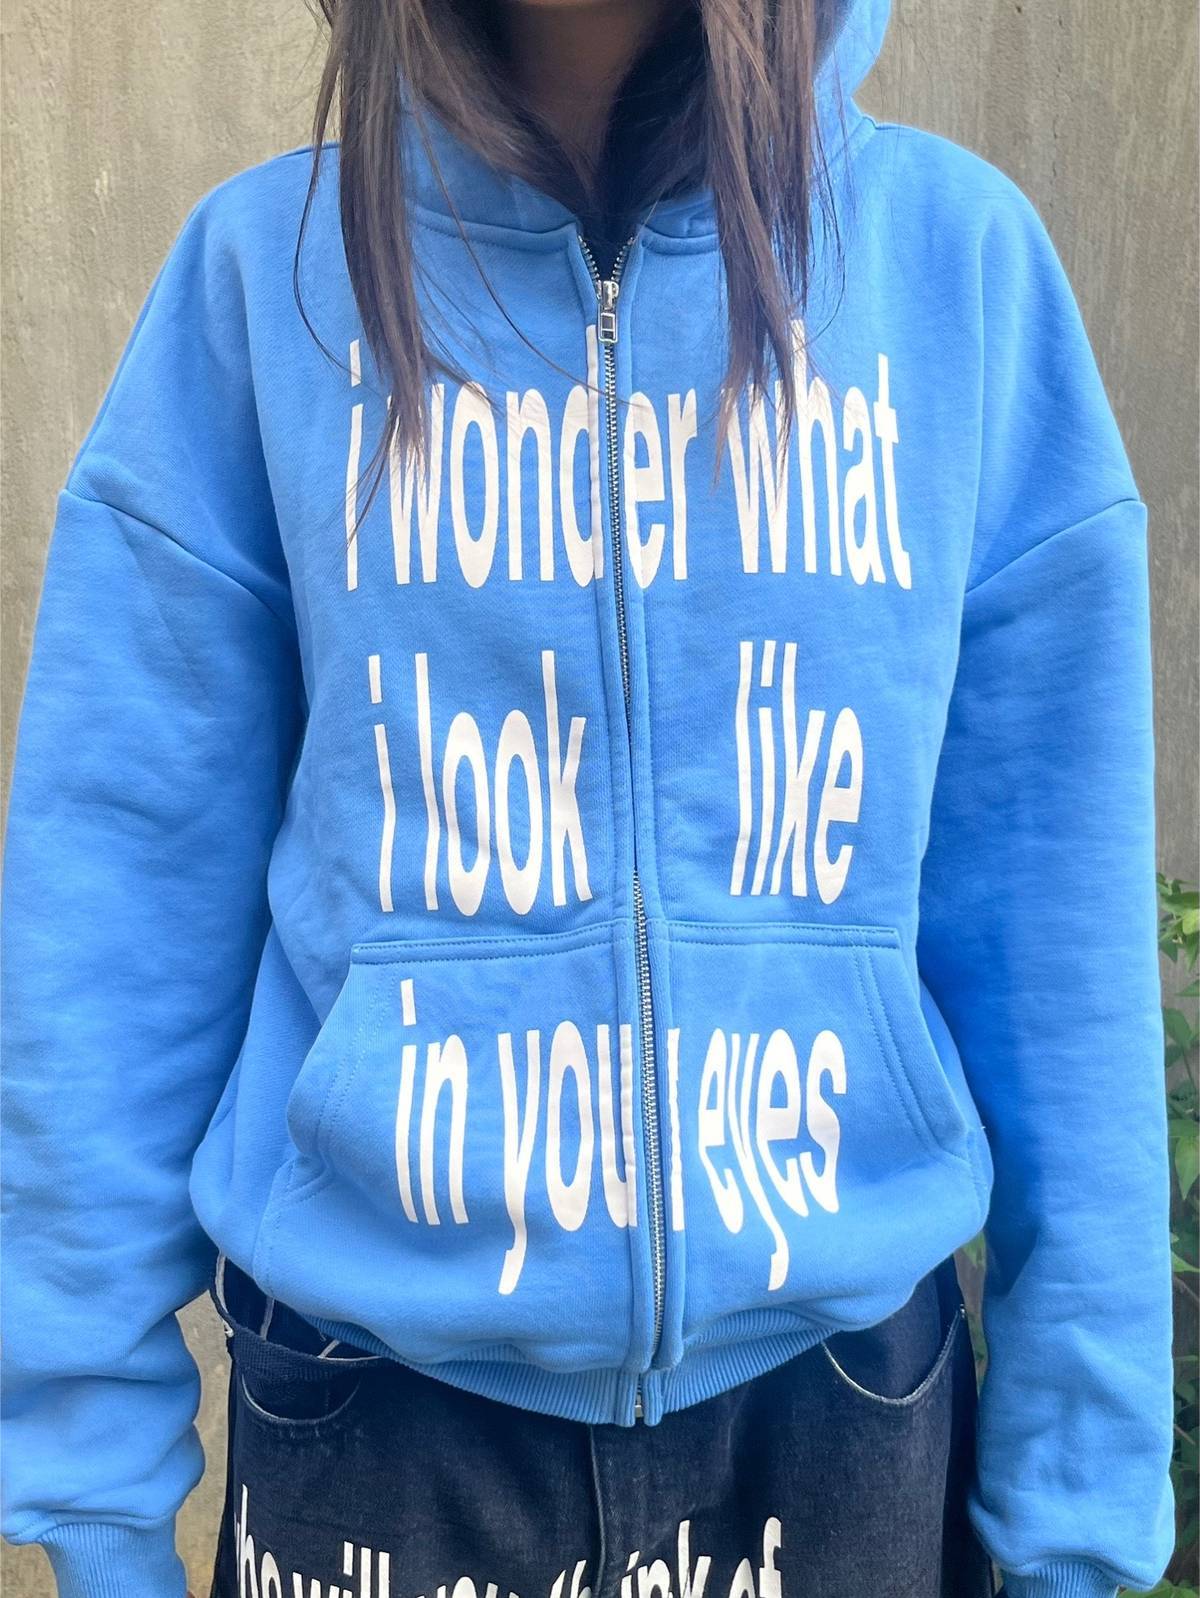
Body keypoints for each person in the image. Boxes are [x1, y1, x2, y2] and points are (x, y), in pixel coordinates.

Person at [0, 0, 1176, 1595]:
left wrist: (1078, 1518)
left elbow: (1058, 943)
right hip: (376, 1417)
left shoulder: (958, 272)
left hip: (838, 1415)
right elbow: (117, 912)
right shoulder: (261, 284)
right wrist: (95, 1495)